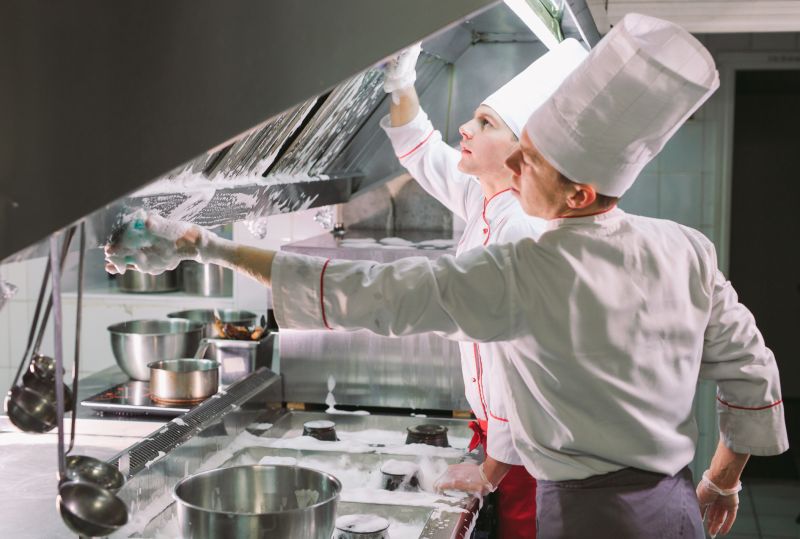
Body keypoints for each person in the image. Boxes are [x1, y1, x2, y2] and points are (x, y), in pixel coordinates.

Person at [106, 13, 789, 538]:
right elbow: (754, 373)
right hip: (674, 506)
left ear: (580, 194)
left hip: (593, 518)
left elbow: (373, 295)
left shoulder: (530, 266)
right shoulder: (686, 248)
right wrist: (721, 483)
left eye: (530, 163)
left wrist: (203, 245)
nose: (514, 170)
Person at [382, 38, 586, 539]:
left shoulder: (522, 229)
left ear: (521, 152)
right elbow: (422, 150)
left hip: (527, 453)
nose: (464, 130)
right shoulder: (486, 194)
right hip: (498, 437)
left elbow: (523, 371)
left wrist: (490, 471)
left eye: (485, 124)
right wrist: (400, 77)